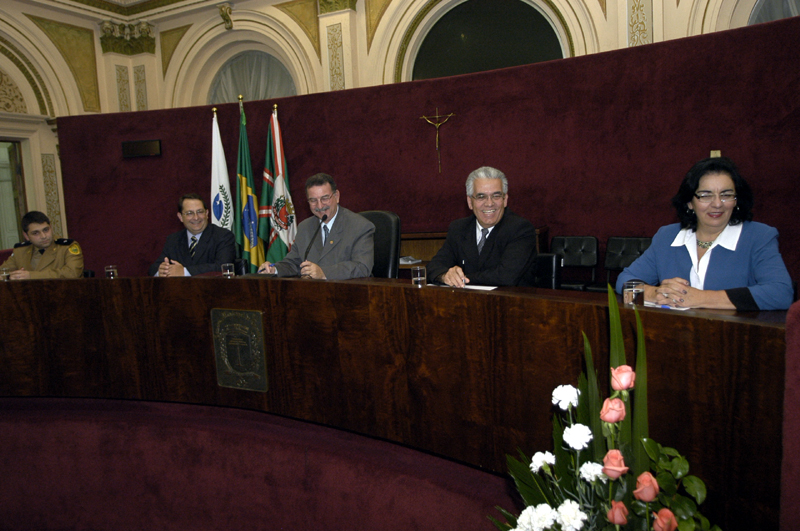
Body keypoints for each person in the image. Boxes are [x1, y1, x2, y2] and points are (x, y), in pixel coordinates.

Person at [616, 157, 793, 310]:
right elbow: (624, 281)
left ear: (736, 200)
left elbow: (781, 293)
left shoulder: (759, 236)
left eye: (726, 194)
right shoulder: (667, 236)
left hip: (734, 339)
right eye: (705, 195)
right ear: (690, 203)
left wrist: (700, 298)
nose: (717, 204)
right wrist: (654, 293)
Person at [427, 166, 537, 287]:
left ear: (505, 200)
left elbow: (506, 276)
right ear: (470, 202)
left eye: (496, 196)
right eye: (481, 197)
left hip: (510, 302)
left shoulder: (520, 229)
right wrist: (445, 276)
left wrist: (461, 279)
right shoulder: (459, 228)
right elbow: (434, 266)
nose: (489, 203)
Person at [257, 173, 374, 280]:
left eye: (325, 198)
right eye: (313, 200)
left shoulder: (360, 226)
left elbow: (362, 267)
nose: (319, 205)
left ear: (337, 196)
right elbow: (294, 263)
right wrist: (274, 269)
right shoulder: (305, 227)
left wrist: (323, 272)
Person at [148, 193, 236, 277]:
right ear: (180, 217)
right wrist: (162, 270)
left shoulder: (223, 236)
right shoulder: (173, 240)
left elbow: (223, 267)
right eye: (190, 213)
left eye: (200, 212)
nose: (196, 217)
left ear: (207, 213)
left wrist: (184, 271)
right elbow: (153, 268)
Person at [0, 211, 84, 279]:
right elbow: (3, 271)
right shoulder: (21, 251)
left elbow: (73, 273)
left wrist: (31, 276)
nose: (43, 236)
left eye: (46, 230)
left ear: (51, 227)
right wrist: (9, 276)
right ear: (26, 236)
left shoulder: (67, 247)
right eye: (36, 233)